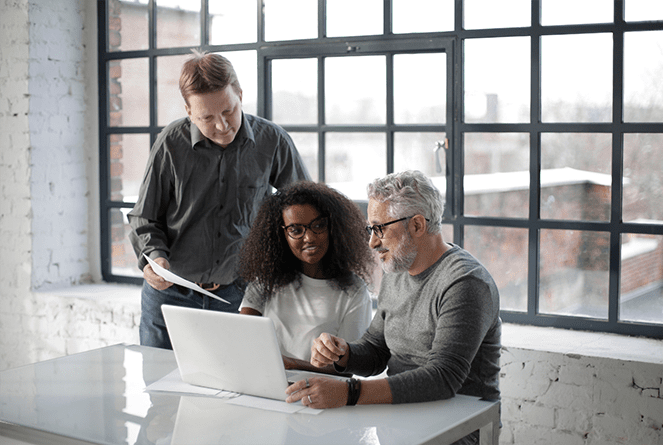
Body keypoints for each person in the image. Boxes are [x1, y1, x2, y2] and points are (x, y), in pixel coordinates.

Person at [285, 170, 501, 445]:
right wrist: (342, 353)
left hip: (458, 432)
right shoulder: (396, 270)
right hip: (399, 425)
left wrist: (349, 392)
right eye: (370, 229)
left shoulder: (465, 283)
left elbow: (443, 378)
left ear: (417, 225)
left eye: (380, 229)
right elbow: (377, 350)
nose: (372, 242)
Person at [128, 50, 310, 349]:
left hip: (241, 295)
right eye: (206, 118)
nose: (222, 126)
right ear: (188, 111)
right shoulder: (170, 144)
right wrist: (153, 258)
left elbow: (305, 209)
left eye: (229, 111)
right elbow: (145, 217)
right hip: (170, 296)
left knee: (234, 390)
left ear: (239, 94)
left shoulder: (272, 141)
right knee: (161, 389)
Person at [238, 181, 375, 373]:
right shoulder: (265, 281)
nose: (309, 237)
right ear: (281, 235)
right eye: (296, 230)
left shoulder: (354, 291)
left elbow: (346, 368)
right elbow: (242, 338)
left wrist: (292, 365)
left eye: (318, 225)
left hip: (323, 392)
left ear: (333, 227)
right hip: (266, 384)